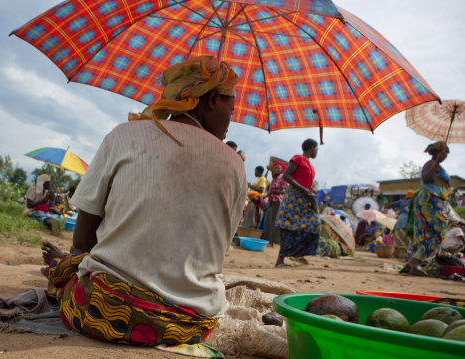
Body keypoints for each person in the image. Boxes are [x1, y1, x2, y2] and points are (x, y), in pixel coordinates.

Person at [39, 55, 247, 346]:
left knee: (71, 267)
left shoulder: (123, 136)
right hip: (190, 324)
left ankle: (64, 266)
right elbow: (215, 249)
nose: (231, 119)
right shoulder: (235, 164)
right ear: (212, 99)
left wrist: (76, 262)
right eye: (231, 107)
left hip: (103, 310)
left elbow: (84, 241)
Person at [406, 141, 451, 276]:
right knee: (436, 233)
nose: (446, 155)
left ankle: (414, 263)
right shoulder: (431, 163)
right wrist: (436, 161)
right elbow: (426, 179)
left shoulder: (436, 165)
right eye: (444, 152)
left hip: (433, 201)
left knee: (426, 233)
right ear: (437, 152)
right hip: (431, 202)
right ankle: (414, 262)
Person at [274, 139, 321, 267]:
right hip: (293, 197)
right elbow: (286, 176)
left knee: (314, 224)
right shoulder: (299, 159)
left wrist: (311, 190)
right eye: (316, 149)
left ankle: (298, 253)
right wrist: (304, 189)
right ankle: (280, 260)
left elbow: (306, 182)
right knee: (288, 227)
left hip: (305, 199)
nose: (317, 152)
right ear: (311, 148)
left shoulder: (311, 166)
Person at [264, 162, 288, 247]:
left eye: (279, 168)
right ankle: (267, 240)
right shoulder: (274, 179)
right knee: (268, 221)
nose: (276, 169)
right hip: (271, 201)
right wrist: (265, 197)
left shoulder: (282, 178)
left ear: (282, 170)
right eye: (275, 168)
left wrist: (275, 192)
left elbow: (286, 190)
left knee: (274, 221)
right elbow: (270, 191)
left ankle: (273, 241)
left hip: (278, 201)